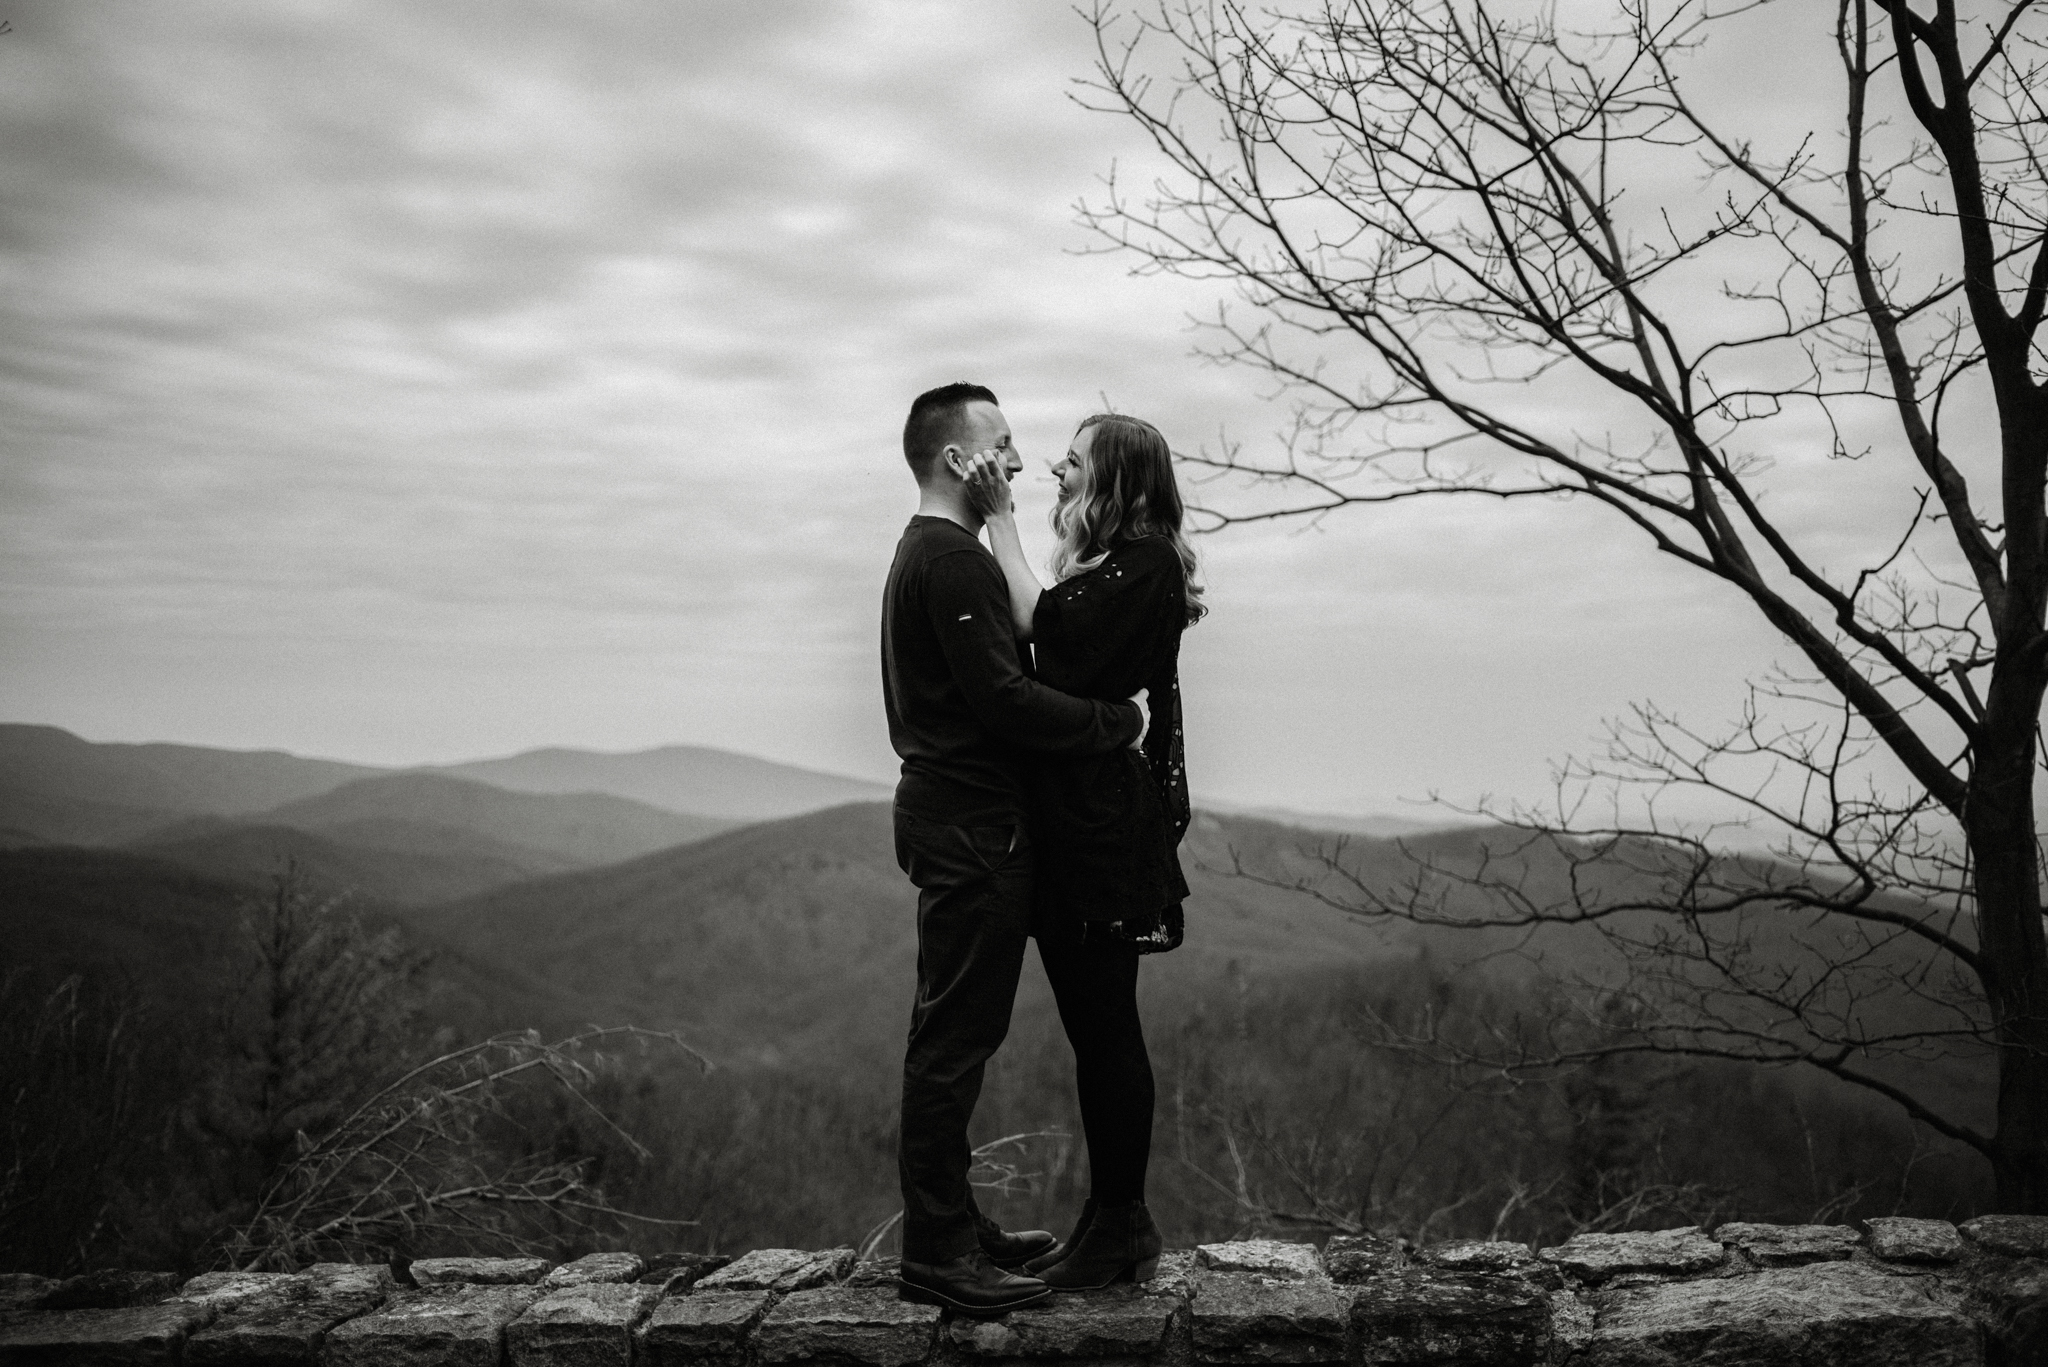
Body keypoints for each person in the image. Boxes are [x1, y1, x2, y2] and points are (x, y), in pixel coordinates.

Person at [882, 383, 1151, 1314]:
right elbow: (1005, 699)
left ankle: (955, 1226)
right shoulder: (950, 560)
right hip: (970, 824)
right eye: (1001, 443)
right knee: (953, 1042)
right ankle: (937, 1251)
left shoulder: (937, 551)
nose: (1019, 461)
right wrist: (1116, 723)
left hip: (959, 818)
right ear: (959, 459)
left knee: (956, 1032)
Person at [960, 412, 1204, 1290]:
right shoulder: (1117, 566)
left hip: (1101, 827)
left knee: (1106, 1030)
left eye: (1073, 460)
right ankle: (1108, 1219)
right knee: (1094, 1028)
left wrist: (999, 520)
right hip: (1080, 818)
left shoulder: (1141, 570)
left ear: (1120, 482)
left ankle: (1124, 1221)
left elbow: (1045, 627)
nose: (1058, 470)